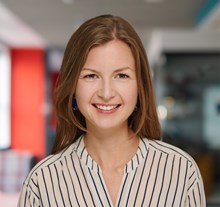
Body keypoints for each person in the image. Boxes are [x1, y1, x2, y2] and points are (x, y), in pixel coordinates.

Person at [18, 14, 206, 206]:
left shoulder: (181, 171)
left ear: (140, 86)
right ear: (73, 86)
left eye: (122, 75)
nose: (106, 93)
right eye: (91, 76)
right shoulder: (41, 182)